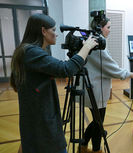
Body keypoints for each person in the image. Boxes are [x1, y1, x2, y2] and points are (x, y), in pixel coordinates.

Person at [10, 13, 98, 153]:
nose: (56, 34)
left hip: (35, 117)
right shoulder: (31, 52)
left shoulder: (27, 51)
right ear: (43, 31)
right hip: (42, 120)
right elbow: (66, 69)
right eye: (54, 30)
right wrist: (86, 48)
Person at [78, 17, 133, 153]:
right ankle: (95, 148)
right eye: (108, 27)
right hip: (95, 90)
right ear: (100, 28)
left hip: (91, 88)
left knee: (97, 121)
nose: (109, 30)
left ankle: (84, 143)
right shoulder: (97, 47)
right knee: (98, 122)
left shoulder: (90, 41)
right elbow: (113, 70)